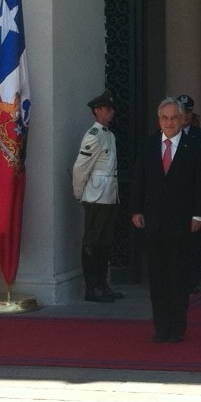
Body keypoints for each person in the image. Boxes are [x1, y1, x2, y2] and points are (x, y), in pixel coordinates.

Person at [130, 97, 201, 343]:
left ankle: (177, 326)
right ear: (159, 120)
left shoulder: (194, 146)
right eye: (164, 118)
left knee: (179, 277)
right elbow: (139, 181)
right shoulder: (148, 146)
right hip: (154, 223)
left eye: (174, 118)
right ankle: (161, 326)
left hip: (184, 224)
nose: (169, 122)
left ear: (182, 119)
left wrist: (199, 214)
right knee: (158, 278)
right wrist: (136, 210)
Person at [71, 88, 121, 303]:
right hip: (96, 196)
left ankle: (102, 283)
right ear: (98, 111)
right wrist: (79, 193)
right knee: (92, 242)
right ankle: (92, 287)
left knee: (105, 243)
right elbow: (81, 168)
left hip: (108, 196)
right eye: (108, 109)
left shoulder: (108, 135)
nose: (111, 112)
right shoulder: (93, 137)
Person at [177, 93, 201, 292]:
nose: (184, 115)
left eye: (188, 111)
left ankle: (192, 280)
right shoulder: (166, 133)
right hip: (174, 198)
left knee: (193, 241)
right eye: (181, 111)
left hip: (193, 196)